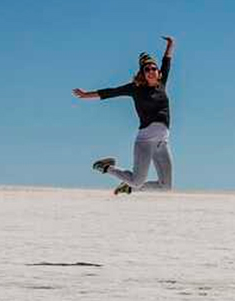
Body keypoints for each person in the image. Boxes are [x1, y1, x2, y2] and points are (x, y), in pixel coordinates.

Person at [72, 36, 177, 195]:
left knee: (166, 186)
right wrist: (86, 94)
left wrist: (170, 45)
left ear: (158, 72)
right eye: (146, 69)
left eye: (153, 68)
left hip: (162, 143)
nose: (150, 71)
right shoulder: (135, 88)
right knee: (137, 181)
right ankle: (106, 167)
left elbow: (167, 61)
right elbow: (112, 92)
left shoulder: (162, 84)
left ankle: (128, 186)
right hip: (145, 141)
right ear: (142, 73)